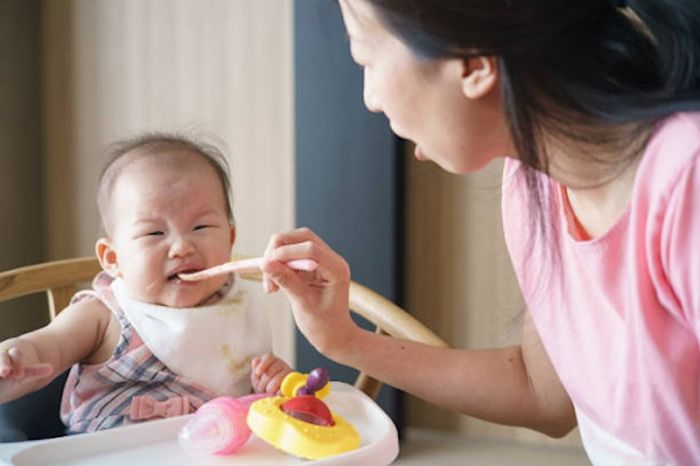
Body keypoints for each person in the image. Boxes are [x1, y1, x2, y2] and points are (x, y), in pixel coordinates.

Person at [259, 1, 700, 465]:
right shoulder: (533, 185)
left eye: (366, 57)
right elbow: (542, 393)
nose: (370, 97)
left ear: (472, 62)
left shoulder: (685, 179)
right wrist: (345, 340)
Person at [0, 133, 291, 433]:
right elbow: (50, 345)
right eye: (154, 233)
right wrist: (15, 357)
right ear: (112, 257)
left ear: (230, 239)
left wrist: (275, 381)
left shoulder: (237, 308)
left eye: (201, 227)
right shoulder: (104, 316)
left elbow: (249, 397)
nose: (181, 247)